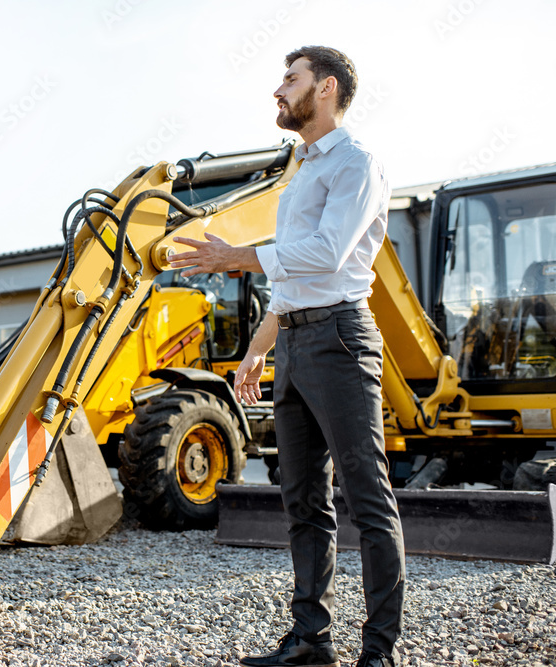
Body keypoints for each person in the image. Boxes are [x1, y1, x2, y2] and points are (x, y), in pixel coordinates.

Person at [170, 47, 405, 667]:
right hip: (297, 343)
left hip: (341, 342)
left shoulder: (356, 164)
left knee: (368, 499)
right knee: (303, 501)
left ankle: (379, 652)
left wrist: (236, 257)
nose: (279, 89)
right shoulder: (301, 172)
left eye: (291, 79)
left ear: (326, 89)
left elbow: (328, 254)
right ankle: (310, 641)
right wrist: (256, 351)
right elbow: (294, 283)